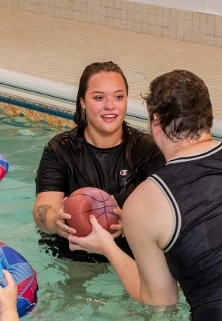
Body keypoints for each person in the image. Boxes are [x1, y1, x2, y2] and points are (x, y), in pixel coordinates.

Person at [68, 69, 222, 320]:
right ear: (210, 114)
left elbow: (160, 302)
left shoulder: (146, 199)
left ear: (155, 122)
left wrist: (107, 247)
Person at [33, 61, 165, 262]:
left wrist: (130, 224)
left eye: (118, 97)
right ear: (83, 102)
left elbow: (163, 216)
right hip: (72, 252)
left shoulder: (146, 151)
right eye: (99, 98)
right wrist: (56, 221)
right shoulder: (61, 149)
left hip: (128, 251)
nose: (110, 106)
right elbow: (43, 208)